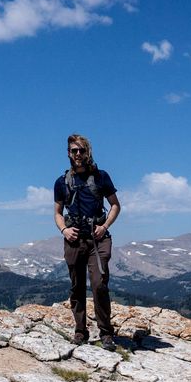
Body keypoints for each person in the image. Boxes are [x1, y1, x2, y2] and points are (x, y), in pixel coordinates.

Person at [54, 133, 121, 349]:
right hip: (74, 240)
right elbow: (57, 212)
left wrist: (105, 226)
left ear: (88, 151)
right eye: (74, 150)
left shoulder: (101, 177)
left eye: (82, 150)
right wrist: (64, 229)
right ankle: (80, 331)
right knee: (77, 286)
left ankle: (106, 333)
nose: (78, 154)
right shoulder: (61, 182)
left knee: (99, 284)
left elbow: (115, 205)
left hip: (97, 238)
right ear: (68, 153)